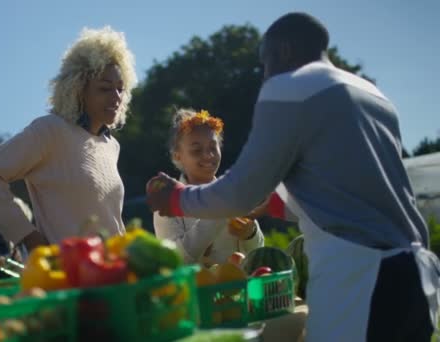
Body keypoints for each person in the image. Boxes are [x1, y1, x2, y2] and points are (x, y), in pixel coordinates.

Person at [146, 12, 439, 341]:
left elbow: (241, 190)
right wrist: (271, 205)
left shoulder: (291, 86)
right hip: (417, 272)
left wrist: (175, 198)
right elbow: (340, 189)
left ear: (282, 52)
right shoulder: (373, 95)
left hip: (360, 278)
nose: (265, 75)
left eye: (264, 64)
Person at [0, 26, 137, 251]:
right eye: (105, 88)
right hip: (66, 277)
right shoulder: (50, 130)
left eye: (120, 89)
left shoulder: (111, 146)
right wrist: (27, 236)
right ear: (78, 90)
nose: (116, 97)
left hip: (115, 273)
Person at [153, 108, 264, 266]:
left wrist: (250, 234)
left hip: (240, 287)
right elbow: (175, 260)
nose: (208, 155)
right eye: (197, 150)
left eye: (213, 147)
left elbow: (258, 253)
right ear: (177, 156)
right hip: (197, 289)